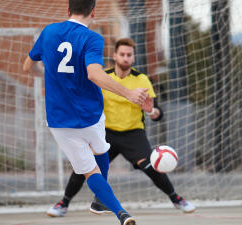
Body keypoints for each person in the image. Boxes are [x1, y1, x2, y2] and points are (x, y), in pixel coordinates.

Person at [23, 1, 149, 225]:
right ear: (93, 11)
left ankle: (117, 211)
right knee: (100, 151)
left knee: (91, 172)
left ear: (67, 10)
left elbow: (27, 67)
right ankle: (107, 204)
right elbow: (94, 74)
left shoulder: (49, 31)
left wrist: (47, 75)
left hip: (59, 119)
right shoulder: (92, 38)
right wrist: (128, 93)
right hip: (90, 114)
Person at [46, 38, 196, 218]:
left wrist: (151, 111)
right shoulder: (104, 77)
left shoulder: (142, 79)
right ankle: (64, 203)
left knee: (150, 166)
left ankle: (176, 199)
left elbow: (158, 114)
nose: (125, 58)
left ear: (133, 58)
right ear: (115, 56)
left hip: (133, 133)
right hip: (105, 133)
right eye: (122, 54)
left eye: (129, 55)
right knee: (85, 165)